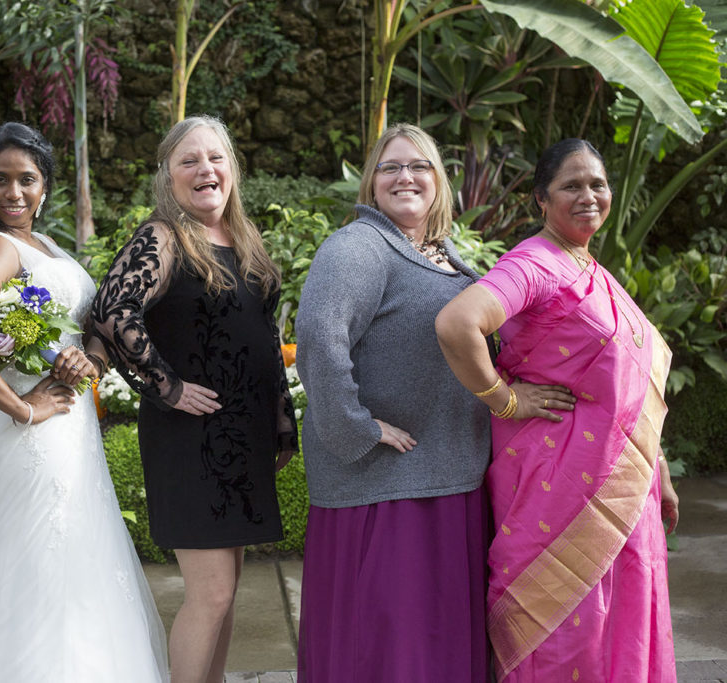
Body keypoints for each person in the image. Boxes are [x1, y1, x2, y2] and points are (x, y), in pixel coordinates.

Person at [0, 122, 168, 682]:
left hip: (68, 431)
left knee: (72, 563)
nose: (15, 192)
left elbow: (88, 327)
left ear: (45, 186)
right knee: (31, 567)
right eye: (0, 180)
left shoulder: (43, 246)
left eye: (27, 179)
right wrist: (21, 407)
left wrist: (88, 358)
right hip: (28, 436)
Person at [435, 138, 679, 682]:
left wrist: (657, 466)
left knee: (621, 626)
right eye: (571, 185)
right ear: (541, 200)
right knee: (565, 634)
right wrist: (505, 399)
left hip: (621, 486)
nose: (588, 195)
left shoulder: (587, 265)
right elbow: (458, 323)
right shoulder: (538, 263)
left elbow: (627, 383)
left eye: (597, 183)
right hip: (558, 490)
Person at [91, 115, 297, 683]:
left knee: (227, 595)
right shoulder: (163, 236)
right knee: (210, 596)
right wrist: (166, 385)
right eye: (189, 161)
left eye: (216, 158)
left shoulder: (245, 239)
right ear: (169, 176)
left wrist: (281, 421)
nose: (205, 169)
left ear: (231, 167)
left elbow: (264, 337)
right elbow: (112, 311)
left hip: (241, 438)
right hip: (191, 440)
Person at [294, 123, 492, 682]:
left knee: (438, 647)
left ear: (439, 181)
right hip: (385, 487)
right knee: (386, 648)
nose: (405, 176)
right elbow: (318, 336)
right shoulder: (359, 247)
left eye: (419, 166)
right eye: (390, 167)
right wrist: (357, 429)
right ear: (371, 183)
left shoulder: (444, 253)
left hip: (449, 475)